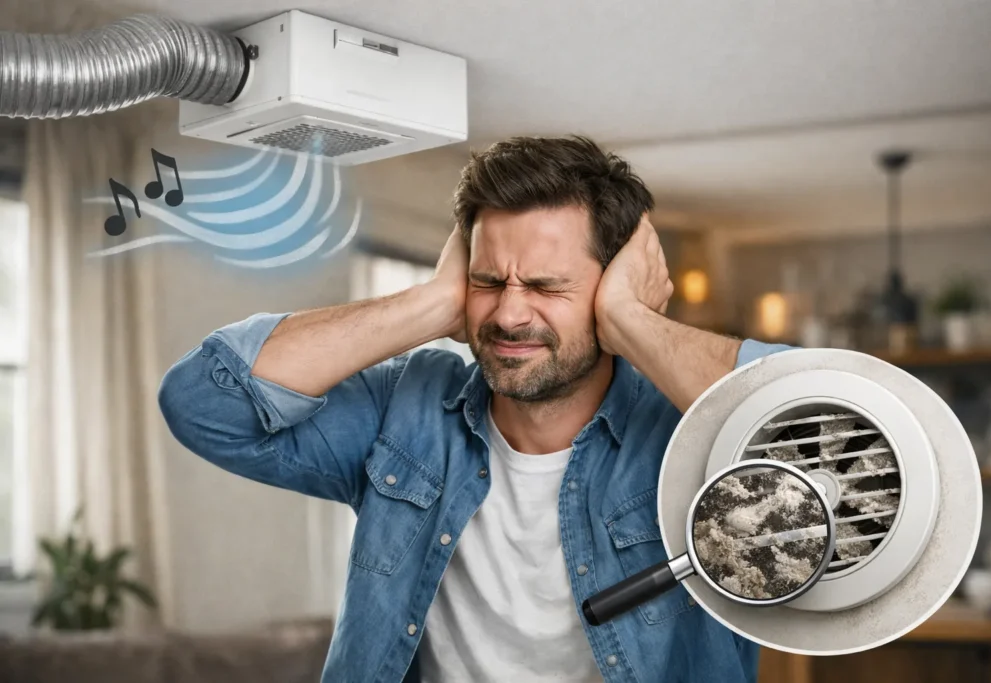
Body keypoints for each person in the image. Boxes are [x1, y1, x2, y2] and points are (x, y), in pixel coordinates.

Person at [158, 135, 789, 683]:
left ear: (609, 288)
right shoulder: (405, 411)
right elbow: (202, 403)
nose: (510, 315)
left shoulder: (694, 431)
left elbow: (844, 451)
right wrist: (434, 304)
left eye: (546, 286)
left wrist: (631, 320)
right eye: (488, 282)